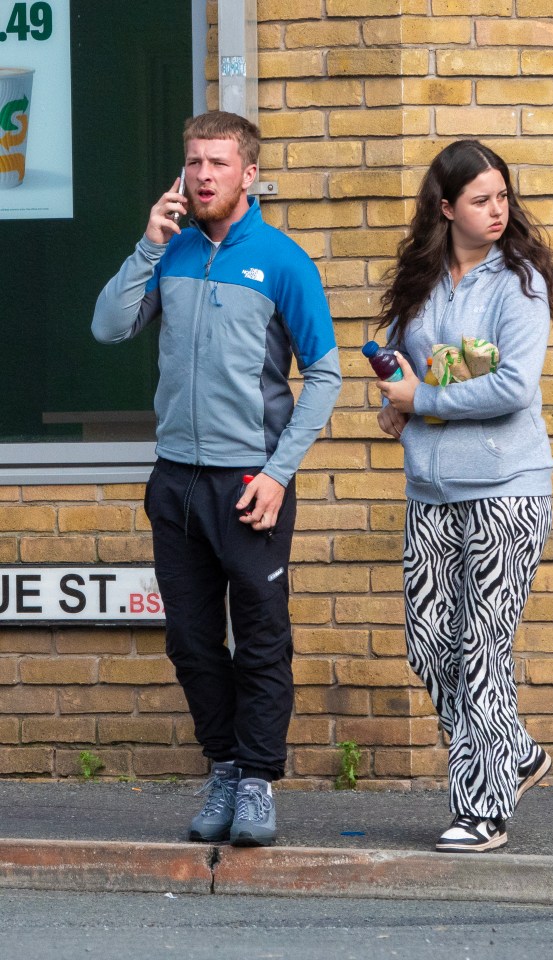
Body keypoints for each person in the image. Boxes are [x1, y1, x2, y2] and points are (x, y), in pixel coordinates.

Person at [92, 111, 341, 846]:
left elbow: (323, 374)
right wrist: (147, 242)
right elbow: (109, 327)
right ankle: (225, 765)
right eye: (194, 163)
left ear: (249, 174)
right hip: (176, 480)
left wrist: (276, 473)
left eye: (218, 164)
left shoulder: (283, 261)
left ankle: (259, 781)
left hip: (248, 482)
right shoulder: (167, 254)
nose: (202, 176)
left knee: (262, 638)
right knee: (192, 641)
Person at [375, 139, 553, 853]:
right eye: (482, 199)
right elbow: (402, 365)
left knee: (480, 646)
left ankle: (482, 807)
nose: (498, 210)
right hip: (431, 488)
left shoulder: (520, 284)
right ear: (446, 207)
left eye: (503, 197)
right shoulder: (421, 282)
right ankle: (514, 750)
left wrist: (422, 395)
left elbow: (514, 387)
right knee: (431, 645)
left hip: (506, 488)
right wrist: (396, 403)